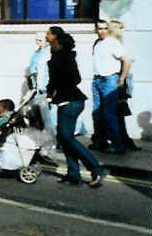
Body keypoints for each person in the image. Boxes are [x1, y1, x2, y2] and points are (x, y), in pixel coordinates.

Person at [47, 26, 107, 187]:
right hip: (70, 101)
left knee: (65, 137)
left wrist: (53, 92)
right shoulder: (65, 57)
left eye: (51, 39)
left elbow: (70, 80)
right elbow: (74, 79)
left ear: (58, 43)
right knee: (64, 137)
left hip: (70, 102)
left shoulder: (59, 59)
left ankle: (96, 168)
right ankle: (73, 174)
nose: (49, 42)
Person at [89, 18, 131, 154]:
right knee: (97, 113)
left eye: (105, 28)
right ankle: (100, 142)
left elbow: (126, 61)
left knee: (109, 114)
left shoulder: (113, 43)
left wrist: (121, 79)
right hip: (97, 80)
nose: (102, 31)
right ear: (95, 30)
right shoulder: (96, 43)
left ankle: (117, 145)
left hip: (109, 80)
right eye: (99, 28)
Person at [109, 20, 140, 151]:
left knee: (118, 112)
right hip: (117, 81)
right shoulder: (113, 44)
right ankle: (122, 140)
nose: (122, 32)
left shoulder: (118, 44)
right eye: (120, 29)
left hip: (121, 81)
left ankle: (124, 139)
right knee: (116, 112)